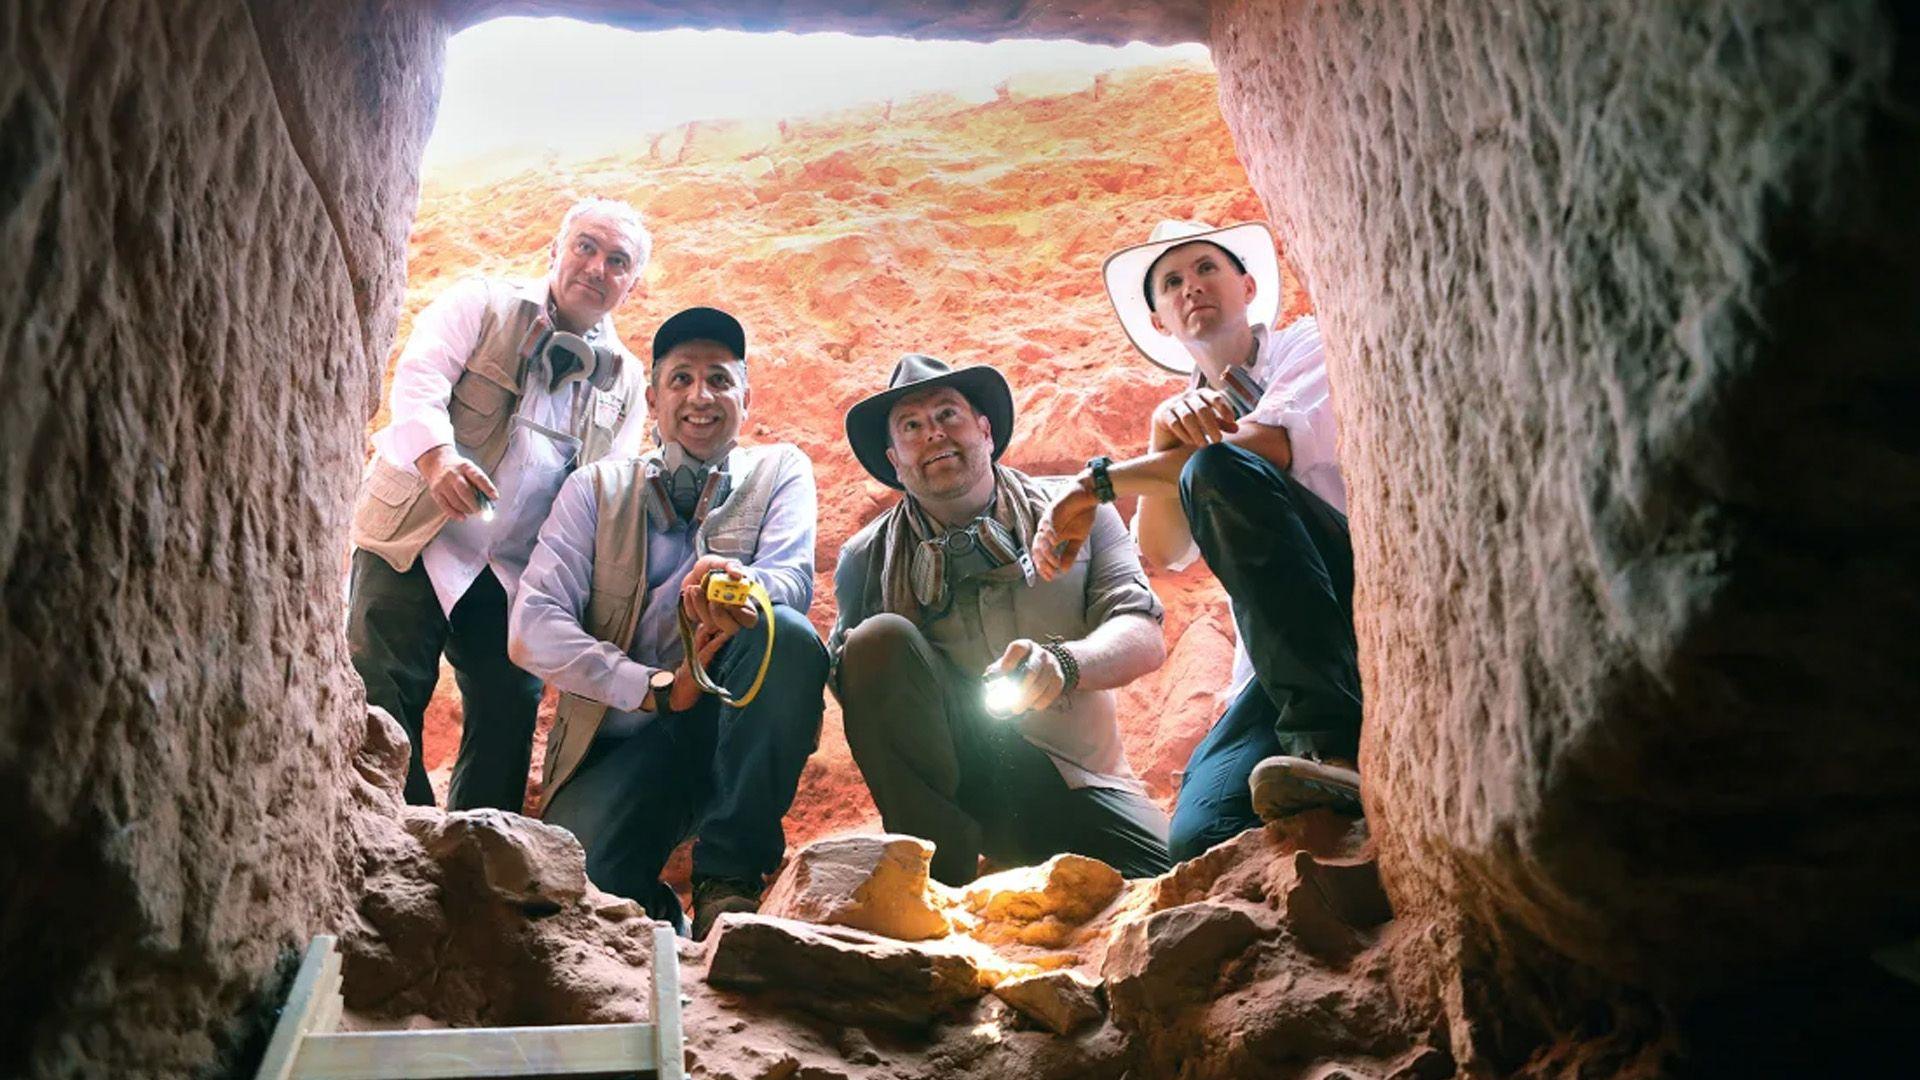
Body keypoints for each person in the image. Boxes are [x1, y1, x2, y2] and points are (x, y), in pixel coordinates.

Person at [1031, 220, 1361, 862]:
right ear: (1160, 321)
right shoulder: (1183, 410)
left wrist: (1094, 483)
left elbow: (1270, 446)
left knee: (1217, 467)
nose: (1192, 289)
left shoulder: (1309, 344)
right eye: (1172, 282)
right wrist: (1161, 438)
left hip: (1352, 592)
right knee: (1200, 835)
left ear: (1247, 284)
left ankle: (1332, 745)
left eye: (1207, 269)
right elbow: (1163, 548)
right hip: (1283, 657)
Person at [509, 306, 827, 939]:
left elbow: (791, 580)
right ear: (652, 398)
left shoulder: (781, 470)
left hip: (737, 725)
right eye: (680, 379)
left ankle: (728, 880)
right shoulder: (593, 489)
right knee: (578, 894)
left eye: (719, 378)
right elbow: (532, 624)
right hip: (626, 738)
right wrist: (656, 687)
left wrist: (738, 586)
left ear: (746, 394)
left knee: (787, 631)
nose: (700, 396)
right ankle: (669, 932)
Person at [346, 197, 652, 812]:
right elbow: (420, 378)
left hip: (512, 571)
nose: (597, 268)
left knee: (510, 708)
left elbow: (606, 492)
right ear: (555, 253)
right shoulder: (480, 303)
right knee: (382, 685)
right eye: (586, 248)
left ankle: (473, 864)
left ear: (631, 284)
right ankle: (390, 833)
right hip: (417, 536)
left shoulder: (626, 381)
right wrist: (437, 459)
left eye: (617, 261)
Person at [830, 353, 1173, 887]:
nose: (934, 435)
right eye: (912, 427)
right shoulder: (865, 559)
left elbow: (1143, 632)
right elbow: (856, 692)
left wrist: (1062, 663)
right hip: (967, 783)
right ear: (895, 460)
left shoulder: (1077, 512)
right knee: (875, 642)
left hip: (1082, 777)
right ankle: (940, 880)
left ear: (985, 431)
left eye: (948, 415)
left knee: (1174, 881)